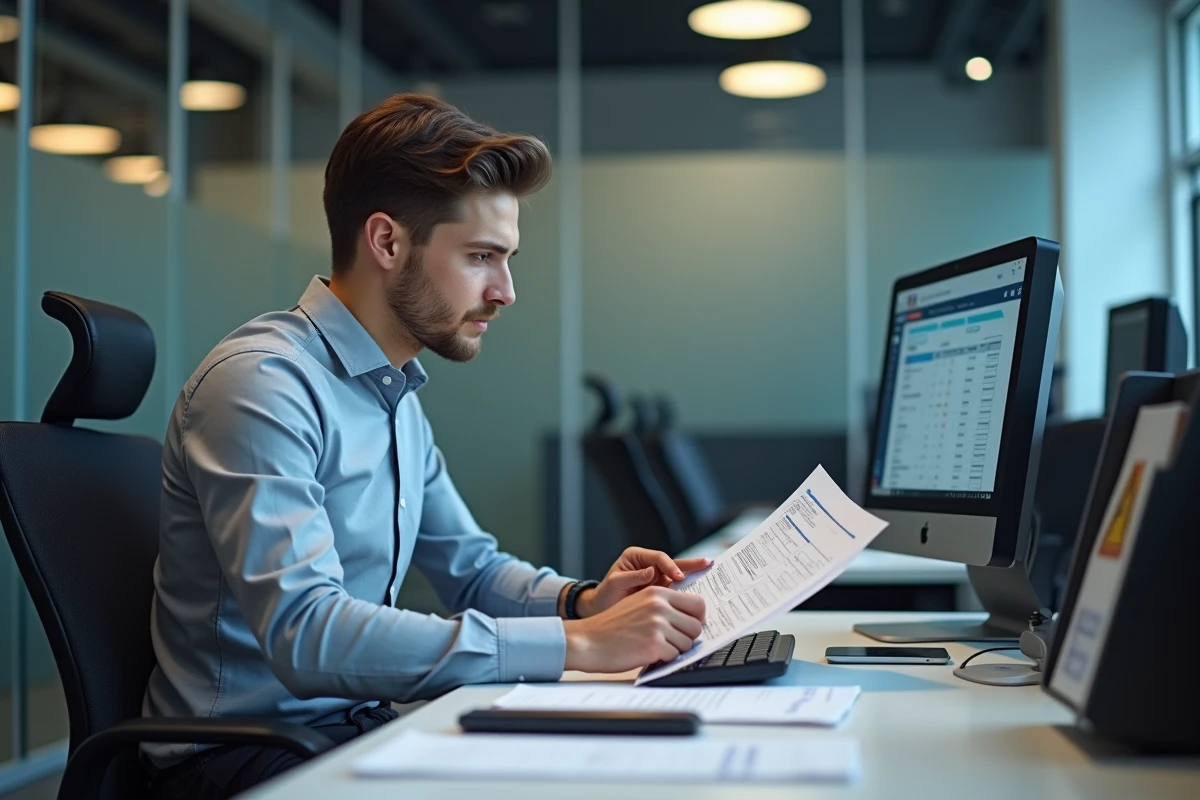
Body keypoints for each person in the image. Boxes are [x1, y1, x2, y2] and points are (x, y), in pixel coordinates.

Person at [142, 93, 709, 799]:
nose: (505, 291)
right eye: (481, 257)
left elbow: (471, 570)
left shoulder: (394, 394)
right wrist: (579, 646)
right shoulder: (261, 385)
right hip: (240, 764)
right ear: (387, 242)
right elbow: (307, 632)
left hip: (352, 730)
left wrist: (584, 602)